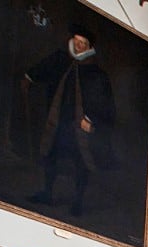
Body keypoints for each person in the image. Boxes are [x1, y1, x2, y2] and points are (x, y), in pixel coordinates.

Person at [24, 25, 115, 218]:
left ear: (88, 46)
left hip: (79, 124)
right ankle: (47, 192)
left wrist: (91, 121)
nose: (79, 46)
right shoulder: (61, 61)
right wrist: (28, 78)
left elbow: (104, 103)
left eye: (82, 43)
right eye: (76, 42)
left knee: (81, 162)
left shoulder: (96, 74)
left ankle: (78, 202)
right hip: (58, 120)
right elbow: (42, 70)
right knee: (51, 155)